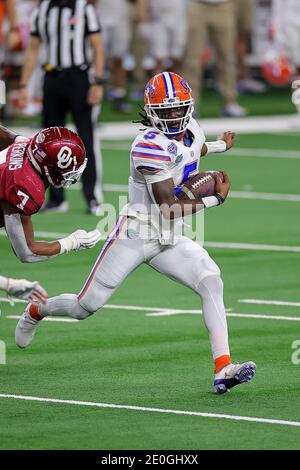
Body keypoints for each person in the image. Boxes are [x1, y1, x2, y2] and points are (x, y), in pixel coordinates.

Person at [15, 72, 256, 394]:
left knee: (211, 279)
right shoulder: (147, 146)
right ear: (151, 110)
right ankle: (36, 310)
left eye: (178, 108)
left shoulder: (193, 128)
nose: (173, 116)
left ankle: (223, 368)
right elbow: (169, 206)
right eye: (166, 110)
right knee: (85, 307)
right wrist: (215, 198)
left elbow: (191, 150)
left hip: (171, 235)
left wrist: (220, 146)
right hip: (137, 233)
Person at [18, 0, 105, 215]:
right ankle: (56, 198)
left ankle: (93, 196)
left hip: (79, 78)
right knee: (49, 142)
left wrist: (98, 82)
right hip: (52, 77)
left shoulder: (84, 8)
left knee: (86, 137)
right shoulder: (43, 10)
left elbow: (97, 46)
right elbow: (33, 48)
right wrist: (23, 84)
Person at [0, 124, 101, 263]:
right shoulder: (23, 187)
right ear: (51, 169)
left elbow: (5, 134)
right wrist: (72, 242)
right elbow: (27, 252)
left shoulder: (28, 146)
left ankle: (11, 285)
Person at [183, 0, 247, 117]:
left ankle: (230, 101)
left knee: (227, 57)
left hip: (224, 6)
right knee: (192, 59)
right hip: (198, 6)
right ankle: (189, 104)